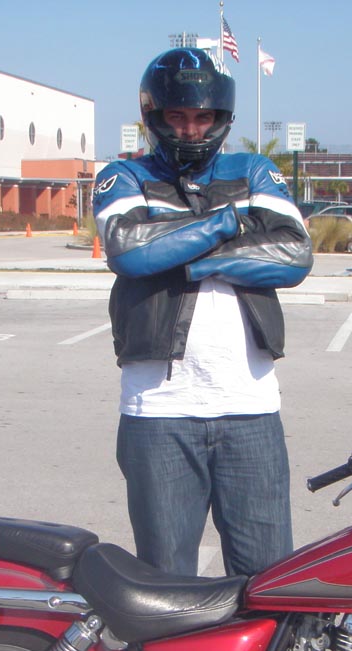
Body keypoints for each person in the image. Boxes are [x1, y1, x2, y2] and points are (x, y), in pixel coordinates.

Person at [92, 47, 312, 578]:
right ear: (154, 115)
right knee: (166, 580)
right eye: (177, 115)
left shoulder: (254, 170)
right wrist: (225, 224)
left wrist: (185, 260)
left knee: (266, 579)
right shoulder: (123, 175)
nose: (190, 129)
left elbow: (293, 255)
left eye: (202, 116)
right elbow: (129, 252)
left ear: (221, 117)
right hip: (158, 412)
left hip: (250, 408)